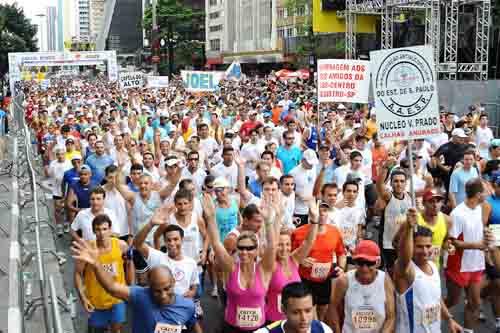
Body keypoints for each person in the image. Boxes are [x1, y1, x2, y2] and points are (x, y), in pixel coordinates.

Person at [72, 239, 197, 333]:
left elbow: (193, 325)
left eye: (167, 288)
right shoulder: (140, 295)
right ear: (149, 286)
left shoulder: (188, 306)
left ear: (173, 282)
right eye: (157, 291)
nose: (163, 295)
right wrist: (96, 264)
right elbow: (111, 287)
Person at [203, 191, 277, 333]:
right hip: (232, 328)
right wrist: (211, 218)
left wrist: (269, 222)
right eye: (241, 248)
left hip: (258, 329)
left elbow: (272, 246)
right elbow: (217, 244)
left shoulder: (263, 269)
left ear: (257, 251)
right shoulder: (231, 268)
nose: (244, 252)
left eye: (249, 248)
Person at [133, 203, 203, 333]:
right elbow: (137, 244)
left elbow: (194, 286)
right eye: (168, 240)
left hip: (180, 314)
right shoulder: (157, 257)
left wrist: (192, 292)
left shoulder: (191, 263)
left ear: (182, 239)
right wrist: (151, 224)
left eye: (176, 239)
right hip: (158, 312)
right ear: (164, 241)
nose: (172, 243)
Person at [394, 208, 462, 333]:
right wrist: (409, 228)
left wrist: (449, 319)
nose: (425, 251)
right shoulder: (405, 270)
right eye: (419, 247)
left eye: (428, 246)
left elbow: (436, 298)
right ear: (411, 246)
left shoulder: (433, 267)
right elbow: (404, 255)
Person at [73, 214, 132, 333]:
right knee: (97, 329)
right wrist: (83, 298)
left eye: (105, 229)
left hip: (117, 298)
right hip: (96, 300)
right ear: (94, 231)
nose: (102, 233)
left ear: (110, 229)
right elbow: (78, 274)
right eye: (98, 229)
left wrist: (130, 288)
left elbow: (129, 265)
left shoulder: (121, 245)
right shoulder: (88, 249)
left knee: (117, 328)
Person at [291, 201, 346, 321]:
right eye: (319, 211)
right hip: (305, 280)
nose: (322, 214)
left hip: (325, 280)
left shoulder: (334, 232)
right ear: (311, 214)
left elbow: (341, 253)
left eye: (325, 211)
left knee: (321, 314)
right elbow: (289, 258)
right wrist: (300, 260)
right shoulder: (298, 232)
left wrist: (341, 268)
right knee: (308, 314)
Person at [327, 240, 396, 332]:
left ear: (378, 262)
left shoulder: (385, 280)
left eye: (369, 263)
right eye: (360, 262)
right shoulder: (344, 281)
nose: (364, 268)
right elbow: (332, 307)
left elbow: (391, 317)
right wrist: (337, 330)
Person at [446, 178, 486, 332]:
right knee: (452, 300)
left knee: (475, 303)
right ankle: (429, 313)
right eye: (484, 192)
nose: (486, 194)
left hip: (476, 264)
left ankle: (468, 331)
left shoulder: (480, 208)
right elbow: (452, 241)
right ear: (478, 194)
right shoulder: (457, 213)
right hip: (459, 265)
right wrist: (477, 246)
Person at [376, 159, 412, 274]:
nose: (399, 184)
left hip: (404, 242)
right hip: (389, 243)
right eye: (396, 181)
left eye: (402, 181)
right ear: (391, 183)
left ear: (406, 183)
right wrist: (385, 167)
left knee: (404, 272)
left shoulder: (409, 197)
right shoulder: (388, 196)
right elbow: (379, 185)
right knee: (393, 273)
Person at [255, 282, 332, 333]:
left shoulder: (323, 329)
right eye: (296, 312)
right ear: (283, 310)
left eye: (308, 311)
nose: (303, 318)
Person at [46, 146, 72, 236]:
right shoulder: (53, 164)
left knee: (67, 208)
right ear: (56, 155)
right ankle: (59, 226)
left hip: (68, 190)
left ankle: (66, 224)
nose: (60, 156)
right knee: (57, 208)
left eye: (62, 154)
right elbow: (50, 174)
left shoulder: (69, 163)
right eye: (58, 154)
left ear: (65, 154)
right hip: (57, 190)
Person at [289, 149, 318, 227]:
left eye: (313, 163)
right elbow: (288, 191)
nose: (311, 165)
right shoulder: (293, 173)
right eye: (309, 163)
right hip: (299, 210)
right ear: (303, 160)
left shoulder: (313, 168)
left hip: (312, 208)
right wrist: (299, 194)